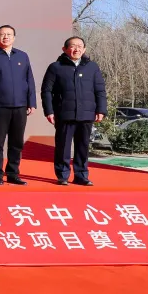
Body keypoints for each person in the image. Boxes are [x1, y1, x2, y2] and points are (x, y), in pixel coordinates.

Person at [41, 36, 107, 186]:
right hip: (64, 113)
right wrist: (49, 111)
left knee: (83, 146)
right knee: (63, 146)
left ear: (84, 49)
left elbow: (100, 90)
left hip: (87, 114)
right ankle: (62, 175)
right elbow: (46, 91)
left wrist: (101, 110)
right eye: (72, 46)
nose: (76, 49)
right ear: (65, 49)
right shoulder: (56, 67)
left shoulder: (92, 67)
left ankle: (81, 175)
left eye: (79, 46)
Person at [0, 24, 37, 186]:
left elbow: (30, 81)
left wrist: (31, 102)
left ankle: (13, 173)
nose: (6, 37)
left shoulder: (22, 56)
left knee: (16, 142)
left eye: (9, 34)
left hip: (20, 106)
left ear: (14, 37)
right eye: (2, 34)